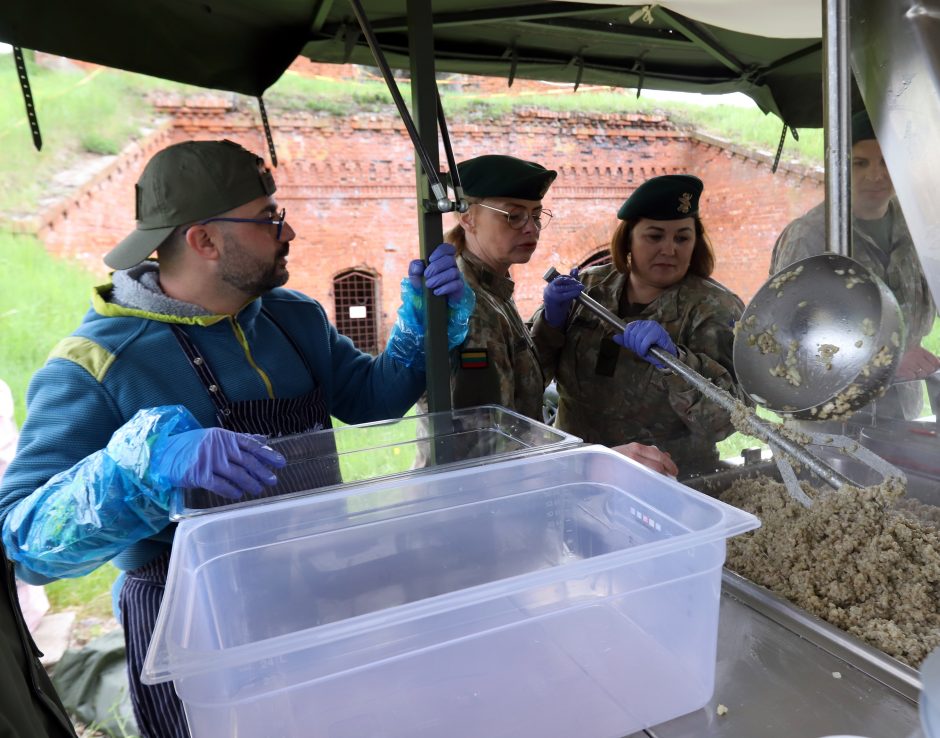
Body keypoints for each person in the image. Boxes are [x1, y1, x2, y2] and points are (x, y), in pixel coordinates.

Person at [0, 139, 471, 738]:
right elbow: (25, 542)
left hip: (319, 589)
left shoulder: (291, 317)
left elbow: (372, 399)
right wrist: (140, 469)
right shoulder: (96, 365)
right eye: (268, 218)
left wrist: (423, 326)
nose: (288, 230)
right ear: (203, 240)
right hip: (193, 630)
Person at [446, 154, 677, 475]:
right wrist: (593, 461)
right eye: (513, 216)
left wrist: (552, 323)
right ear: (467, 218)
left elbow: (521, 384)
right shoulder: (467, 304)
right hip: (478, 499)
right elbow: (482, 439)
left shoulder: (493, 289)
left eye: (536, 215)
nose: (531, 228)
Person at [534, 174, 746, 474]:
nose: (669, 249)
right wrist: (550, 323)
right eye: (655, 236)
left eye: (682, 238)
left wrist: (677, 365)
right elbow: (528, 382)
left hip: (670, 481)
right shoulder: (590, 289)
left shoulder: (716, 311)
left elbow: (729, 420)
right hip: (578, 469)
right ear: (628, 239)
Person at [770, 109, 939, 421]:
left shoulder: (919, 225)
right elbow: (786, 340)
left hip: (900, 412)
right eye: (859, 163)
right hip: (830, 421)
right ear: (838, 166)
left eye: (886, 162)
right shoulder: (811, 236)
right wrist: (883, 362)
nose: (875, 175)